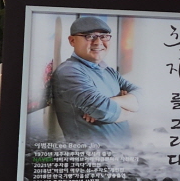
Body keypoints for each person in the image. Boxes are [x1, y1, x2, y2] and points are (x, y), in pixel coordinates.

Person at [51, 16, 139, 148]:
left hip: (122, 155)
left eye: (104, 36)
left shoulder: (107, 69)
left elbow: (141, 95)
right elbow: (104, 111)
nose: (98, 42)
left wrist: (113, 101)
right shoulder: (69, 72)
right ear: (72, 41)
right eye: (89, 36)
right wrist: (132, 110)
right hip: (92, 157)